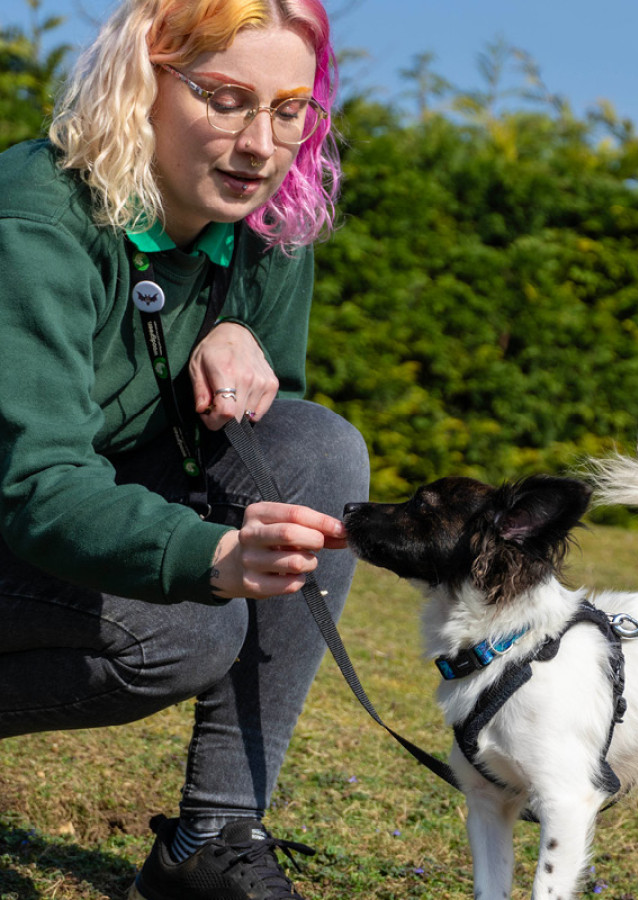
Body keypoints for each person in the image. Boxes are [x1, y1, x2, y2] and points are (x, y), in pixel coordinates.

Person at [0, 1, 370, 897]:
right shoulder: (37, 219)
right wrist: (207, 553)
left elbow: (258, 426)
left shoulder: (264, 221)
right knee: (187, 628)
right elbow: (37, 483)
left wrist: (242, 331)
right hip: (23, 503)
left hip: (68, 508)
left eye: (290, 110)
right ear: (143, 84)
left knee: (318, 451)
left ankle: (212, 839)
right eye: (226, 99)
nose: (260, 145)